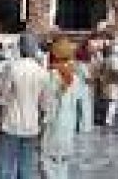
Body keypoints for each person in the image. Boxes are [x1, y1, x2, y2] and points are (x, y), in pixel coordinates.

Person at [0, 33, 49, 179]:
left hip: (11, 124)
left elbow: (2, 100)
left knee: (4, 168)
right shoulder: (42, 73)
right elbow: (44, 106)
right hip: (31, 127)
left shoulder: (12, 68)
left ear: (21, 48)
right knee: (27, 170)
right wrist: (41, 127)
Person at [40, 38, 80, 179]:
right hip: (68, 126)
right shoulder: (75, 77)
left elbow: (46, 103)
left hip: (53, 124)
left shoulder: (51, 75)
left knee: (47, 163)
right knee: (63, 165)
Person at [74, 44, 94, 133]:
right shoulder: (83, 66)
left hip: (75, 88)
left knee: (77, 108)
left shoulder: (74, 64)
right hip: (83, 89)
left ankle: (76, 125)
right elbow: (87, 79)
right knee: (84, 108)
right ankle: (84, 127)